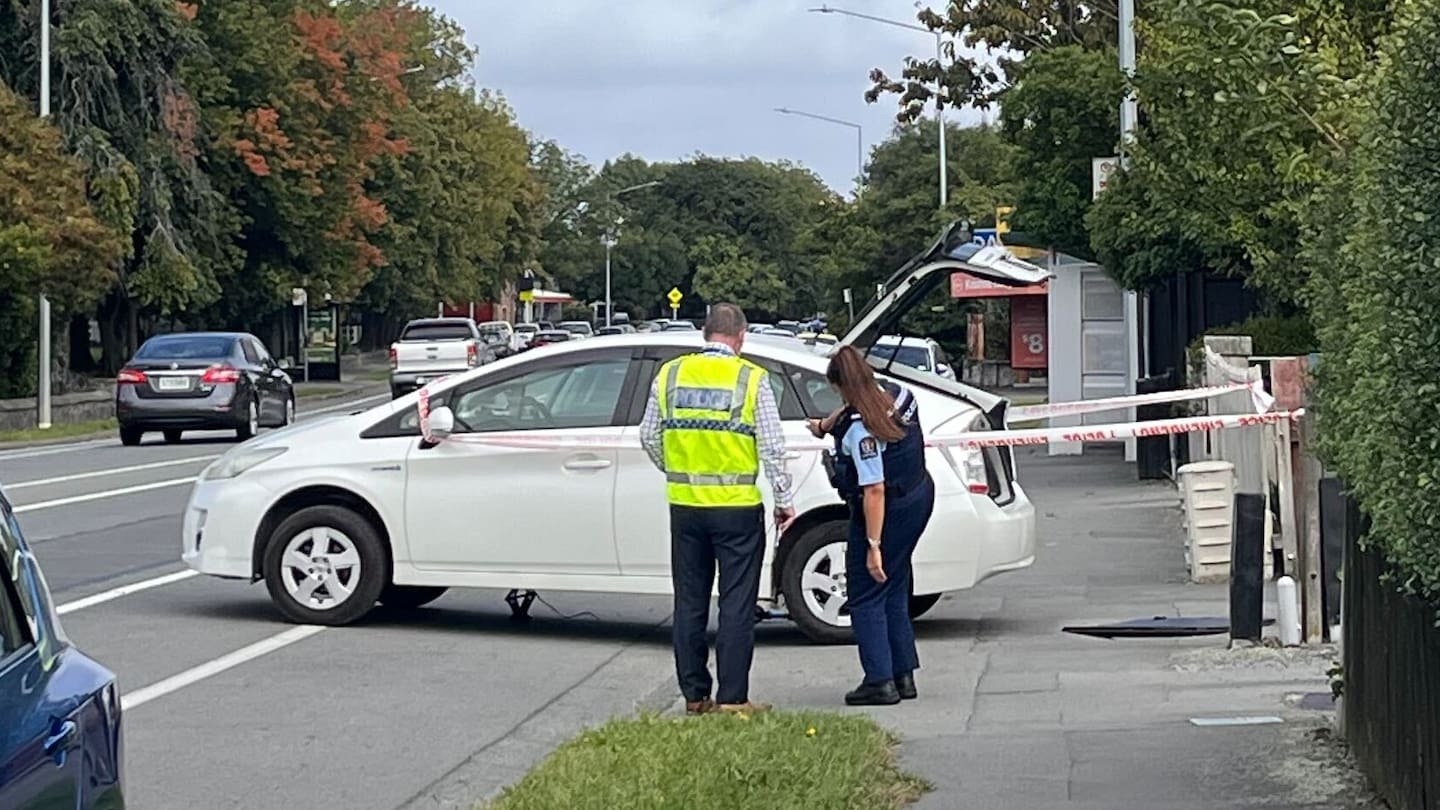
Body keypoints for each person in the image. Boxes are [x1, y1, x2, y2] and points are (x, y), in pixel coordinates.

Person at [640, 303, 795, 715]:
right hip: (737, 509)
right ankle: (732, 698)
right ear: (741, 338)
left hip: (685, 507)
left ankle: (694, 696)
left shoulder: (670, 374)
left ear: (704, 334)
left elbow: (649, 436)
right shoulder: (751, 379)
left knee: (689, 602)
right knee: (736, 604)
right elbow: (774, 449)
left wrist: (678, 470)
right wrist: (784, 501)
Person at [808, 345, 935, 706]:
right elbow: (859, 406)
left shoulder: (860, 431)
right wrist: (826, 424)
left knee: (866, 591)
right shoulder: (899, 395)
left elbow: (874, 489)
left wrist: (873, 546)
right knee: (894, 585)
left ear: (843, 387)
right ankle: (903, 674)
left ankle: (879, 681)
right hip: (919, 496)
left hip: (887, 507)